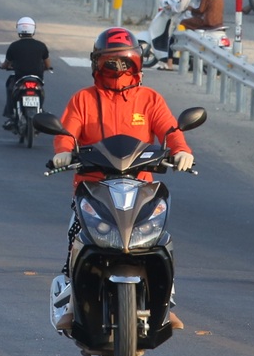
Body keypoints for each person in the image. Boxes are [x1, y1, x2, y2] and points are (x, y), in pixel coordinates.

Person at [50, 29, 193, 217]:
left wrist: (181, 151)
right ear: (97, 63)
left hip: (141, 189)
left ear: (136, 62)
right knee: (78, 237)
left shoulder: (150, 99)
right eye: (110, 62)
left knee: (159, 239)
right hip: (93, 190)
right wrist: (64, 152)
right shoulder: (83, 99)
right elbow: (67, 133)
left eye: (125, 62)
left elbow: (170, 130)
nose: (118, 67)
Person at [0, 16, 52, 127]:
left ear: (18, 29)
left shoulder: (14, 46)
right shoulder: (41, 46)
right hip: (37, 79)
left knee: (11, 89)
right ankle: (40, 109)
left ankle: (11, 114)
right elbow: (48, 64)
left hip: (20, 78)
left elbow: (6, 64)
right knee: (41, 92)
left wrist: (3, 67)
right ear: (33, 29)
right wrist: (46, 68)